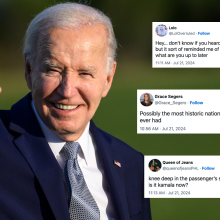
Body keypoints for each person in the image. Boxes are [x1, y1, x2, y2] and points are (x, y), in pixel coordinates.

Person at [0, 3, 151, 220]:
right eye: (53, 69)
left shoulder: (133, 165)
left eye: (85, 73)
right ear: (29, 70)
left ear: (108, 79)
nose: (67, 90)